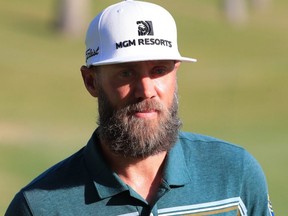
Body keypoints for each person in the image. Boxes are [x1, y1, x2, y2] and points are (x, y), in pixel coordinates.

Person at [6, 0, 274, 215]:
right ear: (91, 82)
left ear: (175, 74)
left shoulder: (235, 174)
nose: (146, 90)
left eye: (159, 70)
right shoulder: (39, 207)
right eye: (126, 73)